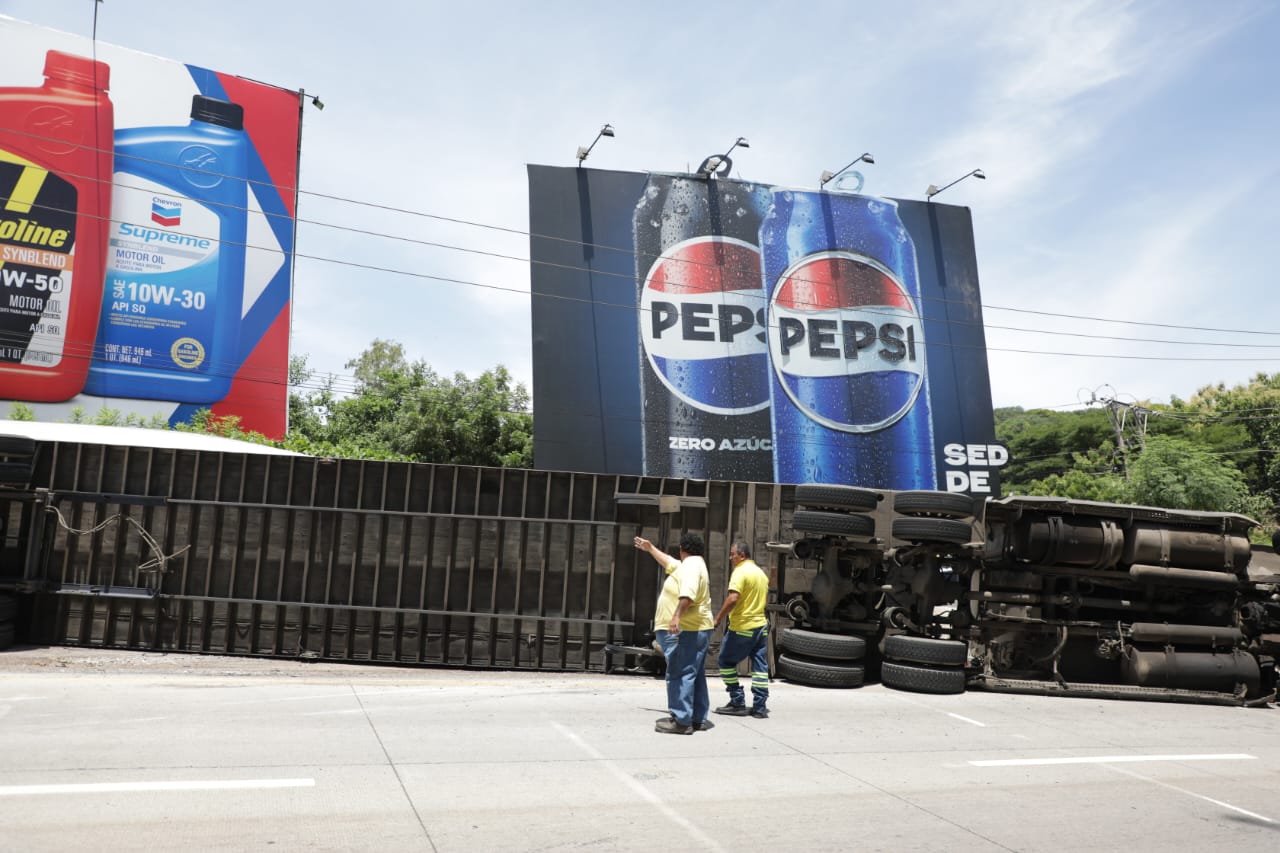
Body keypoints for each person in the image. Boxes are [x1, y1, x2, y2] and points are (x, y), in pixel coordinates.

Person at [634, 531, 714, 734]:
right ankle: (697, 717)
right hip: (698, 628)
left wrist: (676, 616)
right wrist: (650, 548)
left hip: (687, 629)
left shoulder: (690, 567)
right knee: (693, 673)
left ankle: (681, 720)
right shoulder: (694, 564)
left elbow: (688, 594)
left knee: (680, 672)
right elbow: (669, 562)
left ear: (682, 549)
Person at [712, 540, 770, 719]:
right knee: (760, 667)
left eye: (733, 554)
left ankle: (737, 701)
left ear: (742, 555)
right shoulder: (761, 574)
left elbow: (733, 599)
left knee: (725, 662)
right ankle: (760, 707)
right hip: (761, 627)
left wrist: (718, 619)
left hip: (743, 627)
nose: (731, 558)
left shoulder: (740, 572)